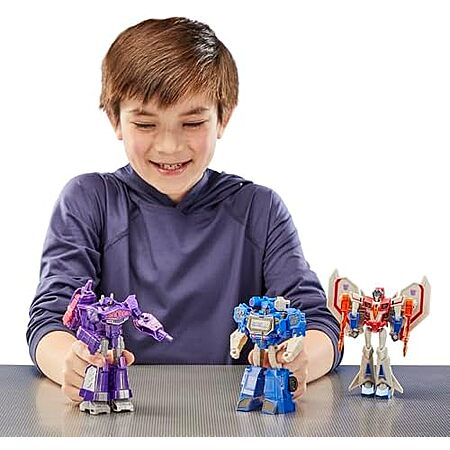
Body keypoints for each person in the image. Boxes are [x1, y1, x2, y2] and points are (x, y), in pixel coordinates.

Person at [26, 17, 342, 403]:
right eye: (145, 124)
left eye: (192, 122)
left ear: (224, 117)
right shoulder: (89, 200)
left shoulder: (259, 210)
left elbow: (318, 323)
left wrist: (298, 358)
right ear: (115, 120)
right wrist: (70, 363)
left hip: (233, 417)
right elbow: (52, 319)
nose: (170, 147)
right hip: (118, 413)